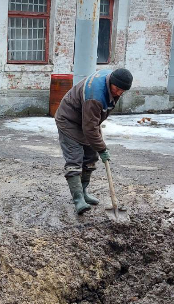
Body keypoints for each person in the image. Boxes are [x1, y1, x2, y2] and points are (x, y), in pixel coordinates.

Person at [54, 68, 133, 214]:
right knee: (75, 159)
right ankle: (78, 199)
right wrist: (102, 148)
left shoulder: (112, 79)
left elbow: (91, 122)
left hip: (86, 119)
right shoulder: (95, 96)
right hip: (69, 120)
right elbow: (89, 128)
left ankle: (83, 192)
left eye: (123, 91)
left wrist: (97, 145)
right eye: (117, 89)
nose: (119, 93)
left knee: (90, 157)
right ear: (111, 83)